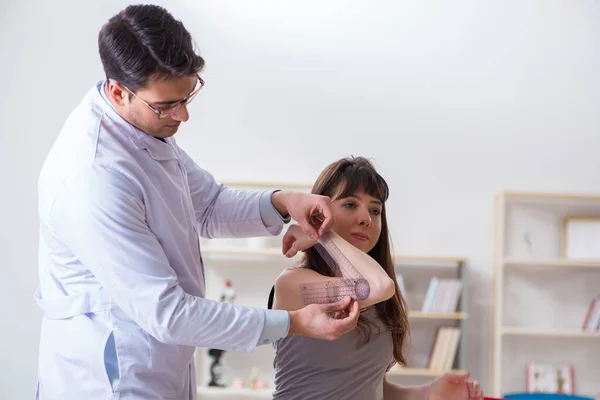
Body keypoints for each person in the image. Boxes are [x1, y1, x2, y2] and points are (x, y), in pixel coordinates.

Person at [34, 5, 360, 400]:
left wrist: (282, 201)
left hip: (161, 359)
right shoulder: (93, 176)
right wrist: (291, 323)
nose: (183, 115)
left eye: (188, 96)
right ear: (119, 91)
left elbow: (206, 205)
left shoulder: (142, 126)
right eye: (168, 105)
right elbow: (167, 313)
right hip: (112, 376)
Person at [269, 156, 483, 400]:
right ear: (318, 212)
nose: (366, 218)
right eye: (350, 204)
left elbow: (368, 387)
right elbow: (376, 286)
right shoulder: (294, 285)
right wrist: (322, 234)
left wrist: (429, 393)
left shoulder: (375, 297)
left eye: (375, 210)